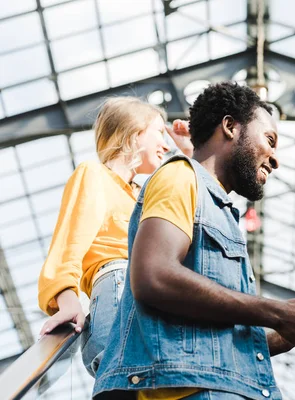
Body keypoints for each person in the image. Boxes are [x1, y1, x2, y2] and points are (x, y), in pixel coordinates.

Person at [92, 82, 295, 400]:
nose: (275, 159)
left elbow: (229, 339)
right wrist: (279, 312)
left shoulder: (221, 212)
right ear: (230, 126)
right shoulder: (180, 177)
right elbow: (152, 276)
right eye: (269, 140)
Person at [37, 96, 192, 377]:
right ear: (134, 132)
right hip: (120, 290)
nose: (167, 144)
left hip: (153, 296)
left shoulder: (143, 196)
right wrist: (67, 299)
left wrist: (191, 154)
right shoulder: (94, 175)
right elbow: (68, 243)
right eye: (159, 131)